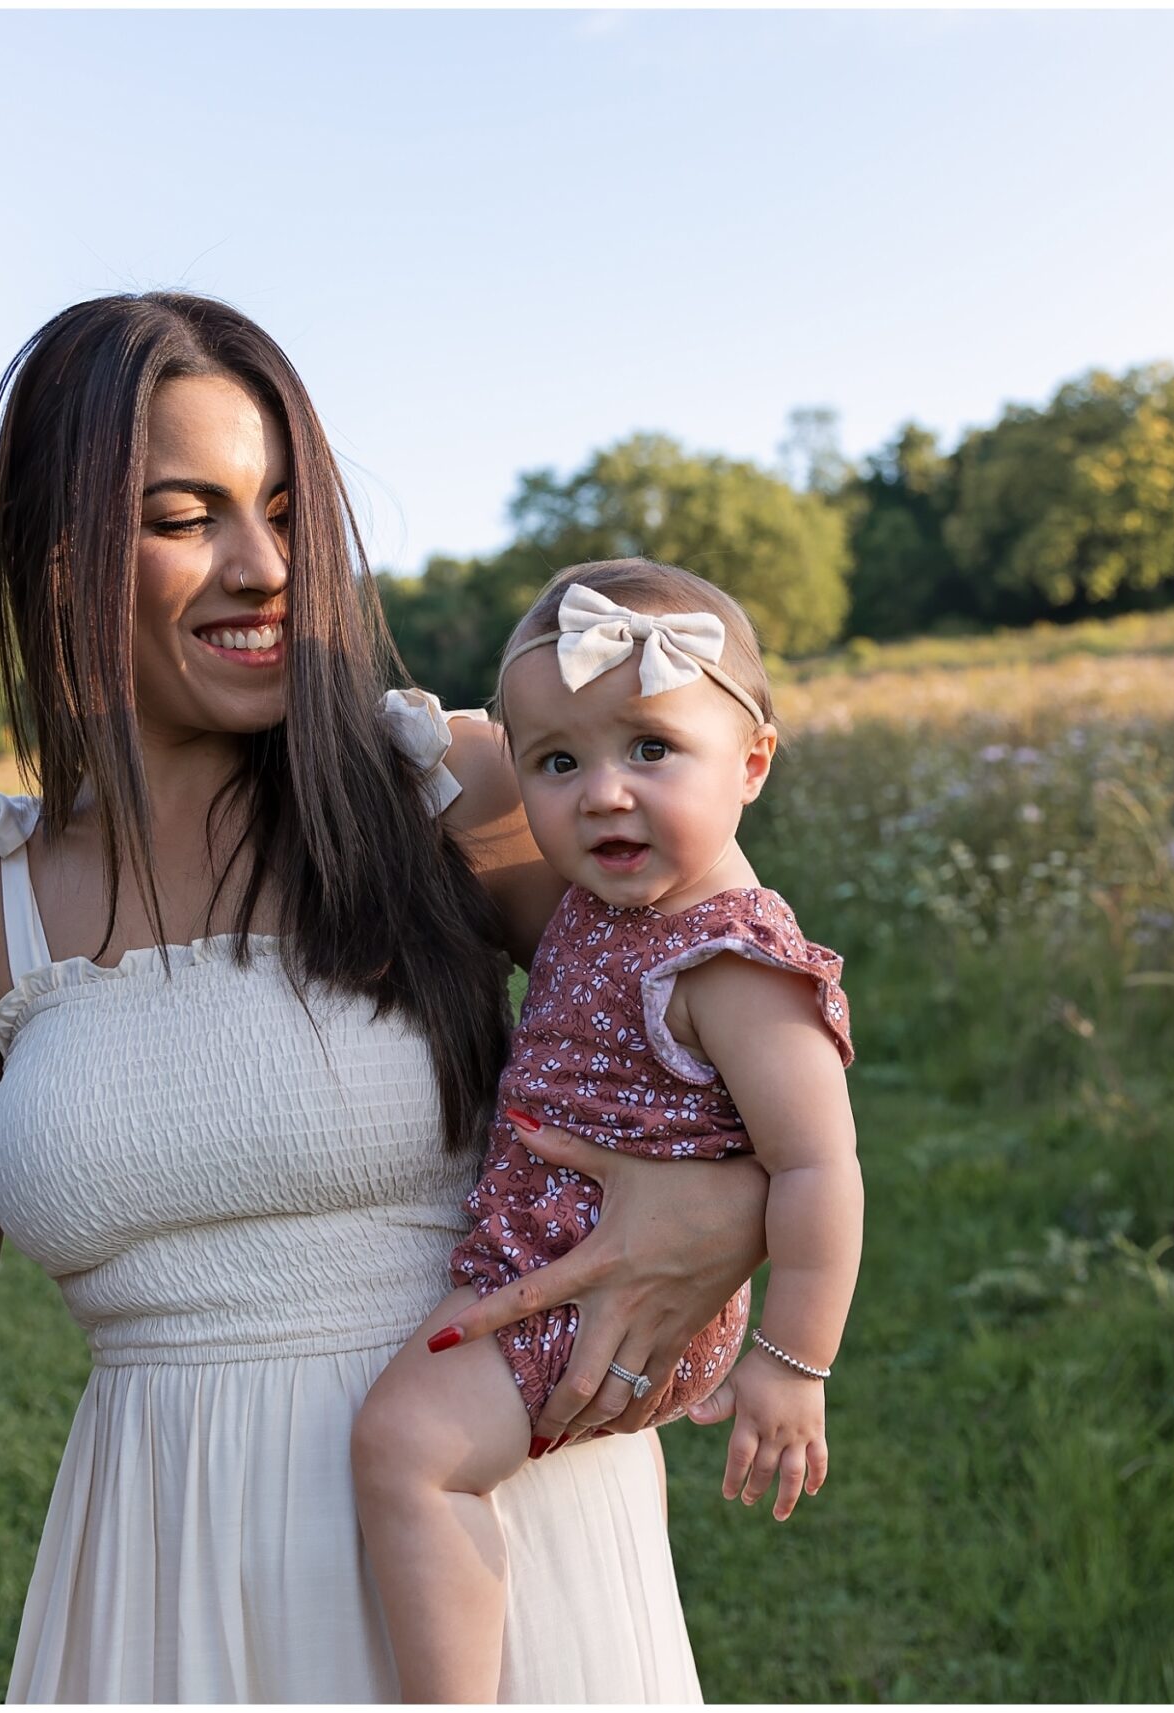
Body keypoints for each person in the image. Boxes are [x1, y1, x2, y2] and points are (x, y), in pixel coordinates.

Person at [0, 293, 770, 1702]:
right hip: (163, 1580)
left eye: (289, 512)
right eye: (187, 518)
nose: (264, 569)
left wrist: (733, 1208)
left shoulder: (454, 790)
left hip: (498, 1559)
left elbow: (741, 1013)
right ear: (61, 557)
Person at [350, 560, 864, 1699]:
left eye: (649, 749)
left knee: (406, 1451)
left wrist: (793, 1364)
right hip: (549, 1248)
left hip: (601, 1287)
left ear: (753, 762)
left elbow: (819, 1164)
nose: (602, 794)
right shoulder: (600, 906)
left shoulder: (729, 961)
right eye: (558, 762)